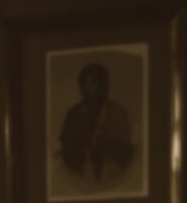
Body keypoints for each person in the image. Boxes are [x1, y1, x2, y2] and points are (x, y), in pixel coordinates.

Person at [56, 61, 134, 190]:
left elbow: (126, 150)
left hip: (112, 174)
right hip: (80, 176)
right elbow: (66, 149)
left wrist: (106, 142)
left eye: (94, 82)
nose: (89, 88)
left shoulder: (118, 112)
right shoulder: (73, 114)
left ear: (103, 84)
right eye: (84, 83)